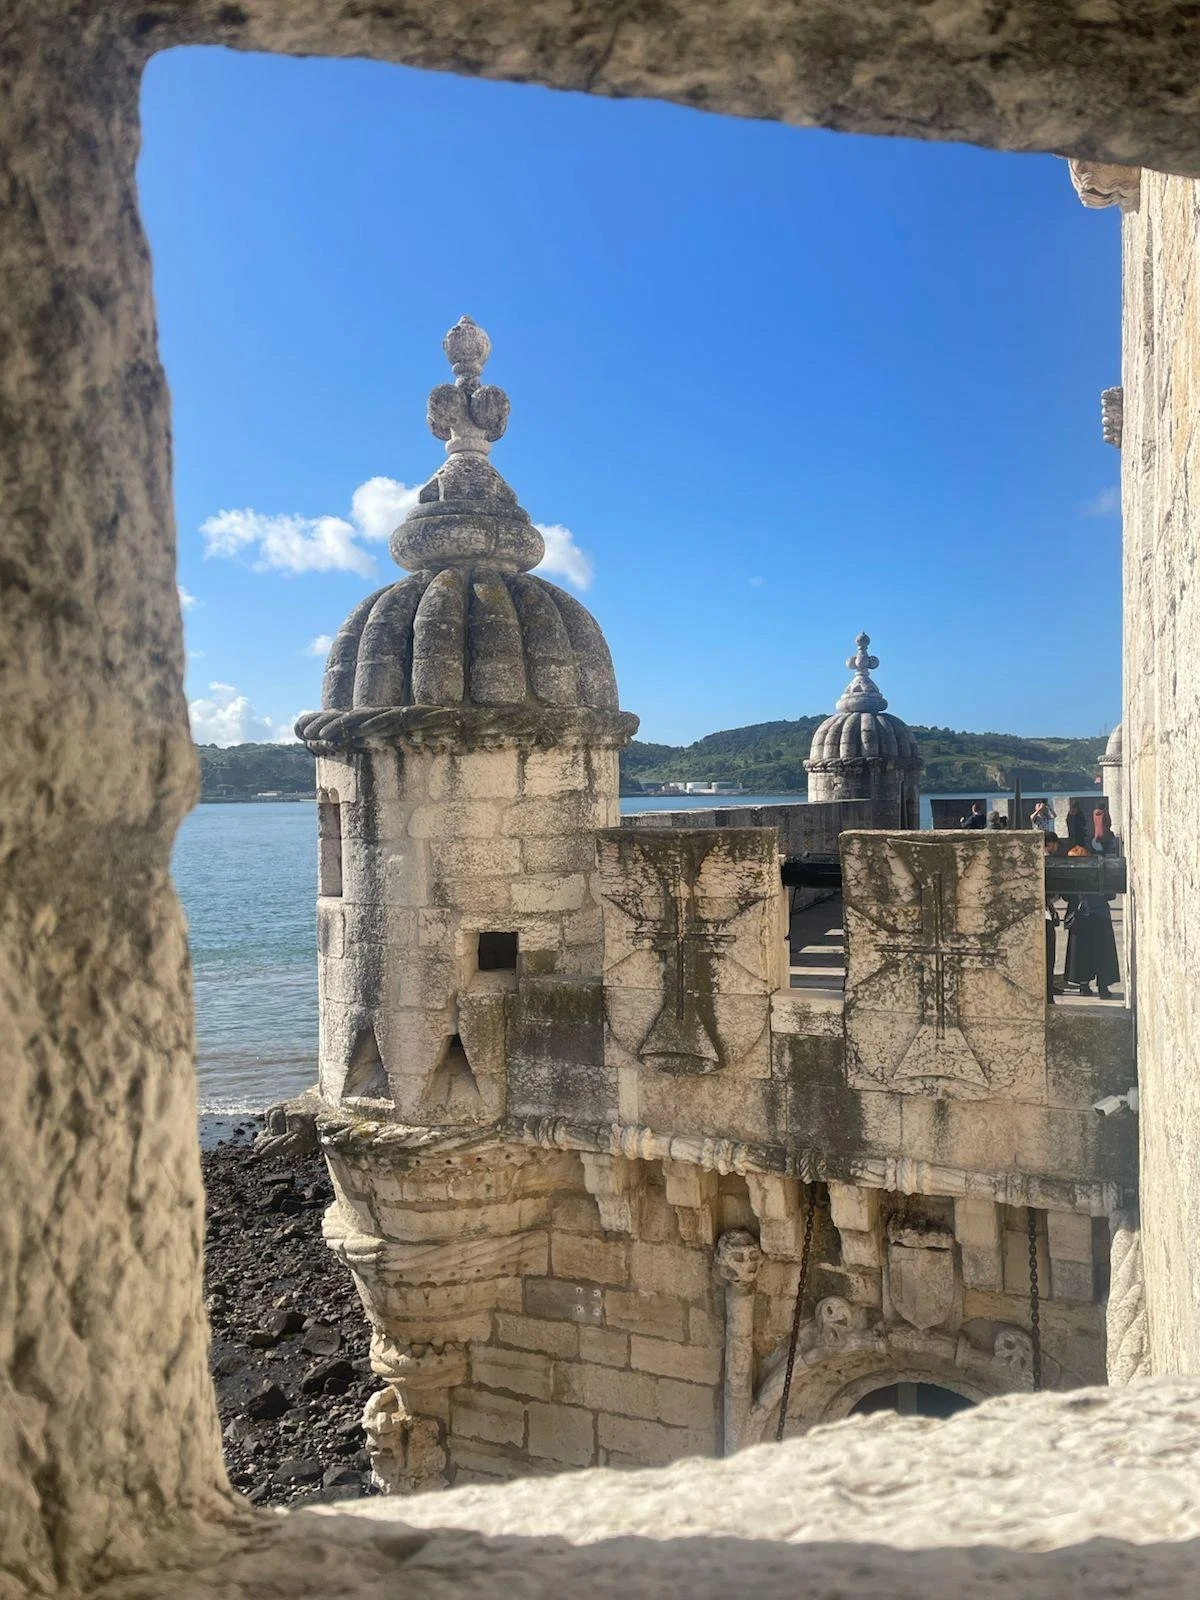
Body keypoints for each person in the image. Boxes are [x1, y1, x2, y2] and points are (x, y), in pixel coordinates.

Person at [1064, 813, 1120, 999]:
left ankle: (1083, 985)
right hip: (1100, 914)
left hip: (1081, 918)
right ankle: (1103, 987)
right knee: (1103, 951)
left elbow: (1066, 896)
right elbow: (1111, 894)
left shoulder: (1071, 877)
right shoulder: (1099, 872)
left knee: (1081, 952)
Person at [1043, 830, 1060, 1003]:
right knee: (1049, 956)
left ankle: (1049, 990)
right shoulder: (1048, 860)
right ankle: (1049, 993)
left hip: (1045, 911)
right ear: (1050, 843)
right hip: (1044, 914)